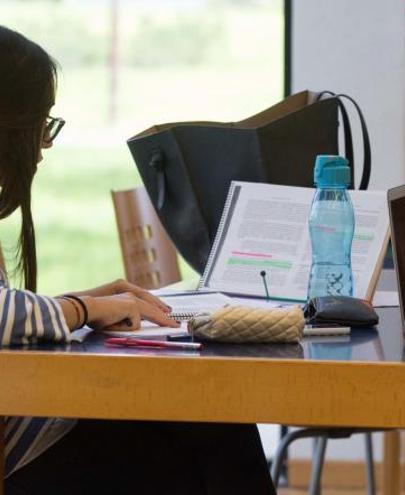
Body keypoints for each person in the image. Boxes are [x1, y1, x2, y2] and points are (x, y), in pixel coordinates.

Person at [0, 25, 275, 494]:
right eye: (42, 125)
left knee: (213, 417)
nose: (44, 147)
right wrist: (85, 310)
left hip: (28, 433)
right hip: (20, 460)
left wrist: (80, 300)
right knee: (209, 434)